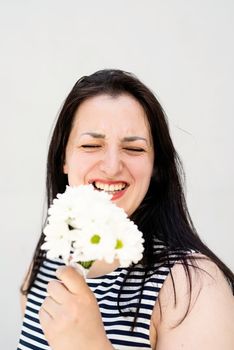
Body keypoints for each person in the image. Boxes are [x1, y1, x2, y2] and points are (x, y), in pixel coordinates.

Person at [18, 69, 234, 350]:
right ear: (64, 159)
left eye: (134, 149)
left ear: (156, 167)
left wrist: (90, 345)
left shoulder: (193, 288)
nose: (111, 166)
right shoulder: (45, 264)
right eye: (91, 145)